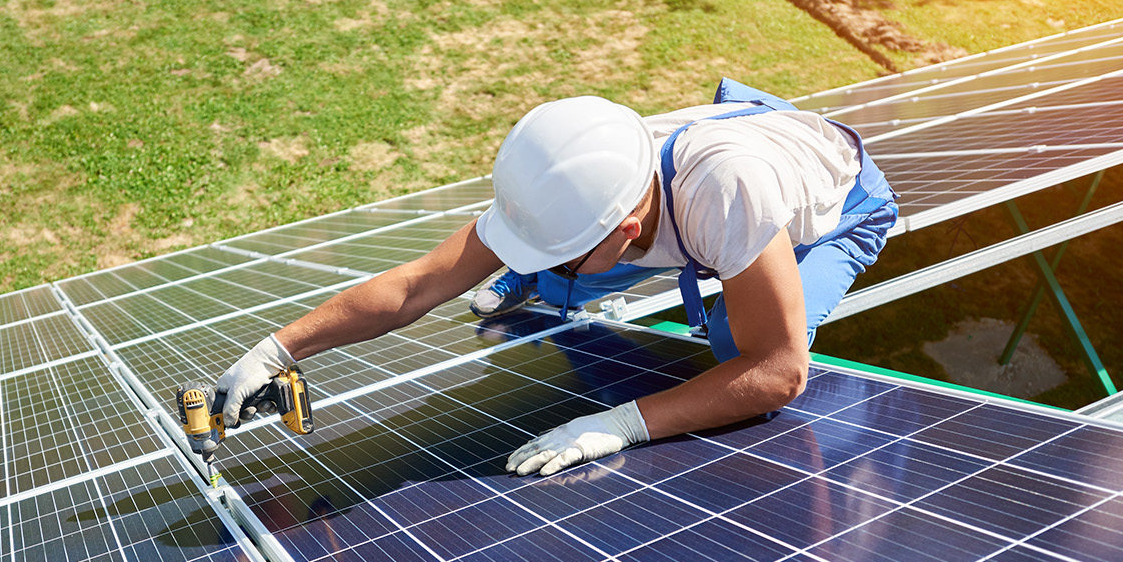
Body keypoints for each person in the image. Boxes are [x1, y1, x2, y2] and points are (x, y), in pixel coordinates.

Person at [214, 79, 896, 477]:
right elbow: (416, 285)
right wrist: (277, 349)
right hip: (702, 194)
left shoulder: (729, 196)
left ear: (626, 234)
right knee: (566, 287)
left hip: (836, 207)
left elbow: (778, 373)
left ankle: (853, 422)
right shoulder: (579, 181)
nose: (537, 256)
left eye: (553, 250)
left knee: (737, 348)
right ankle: (566, 278)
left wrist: (623, 424)